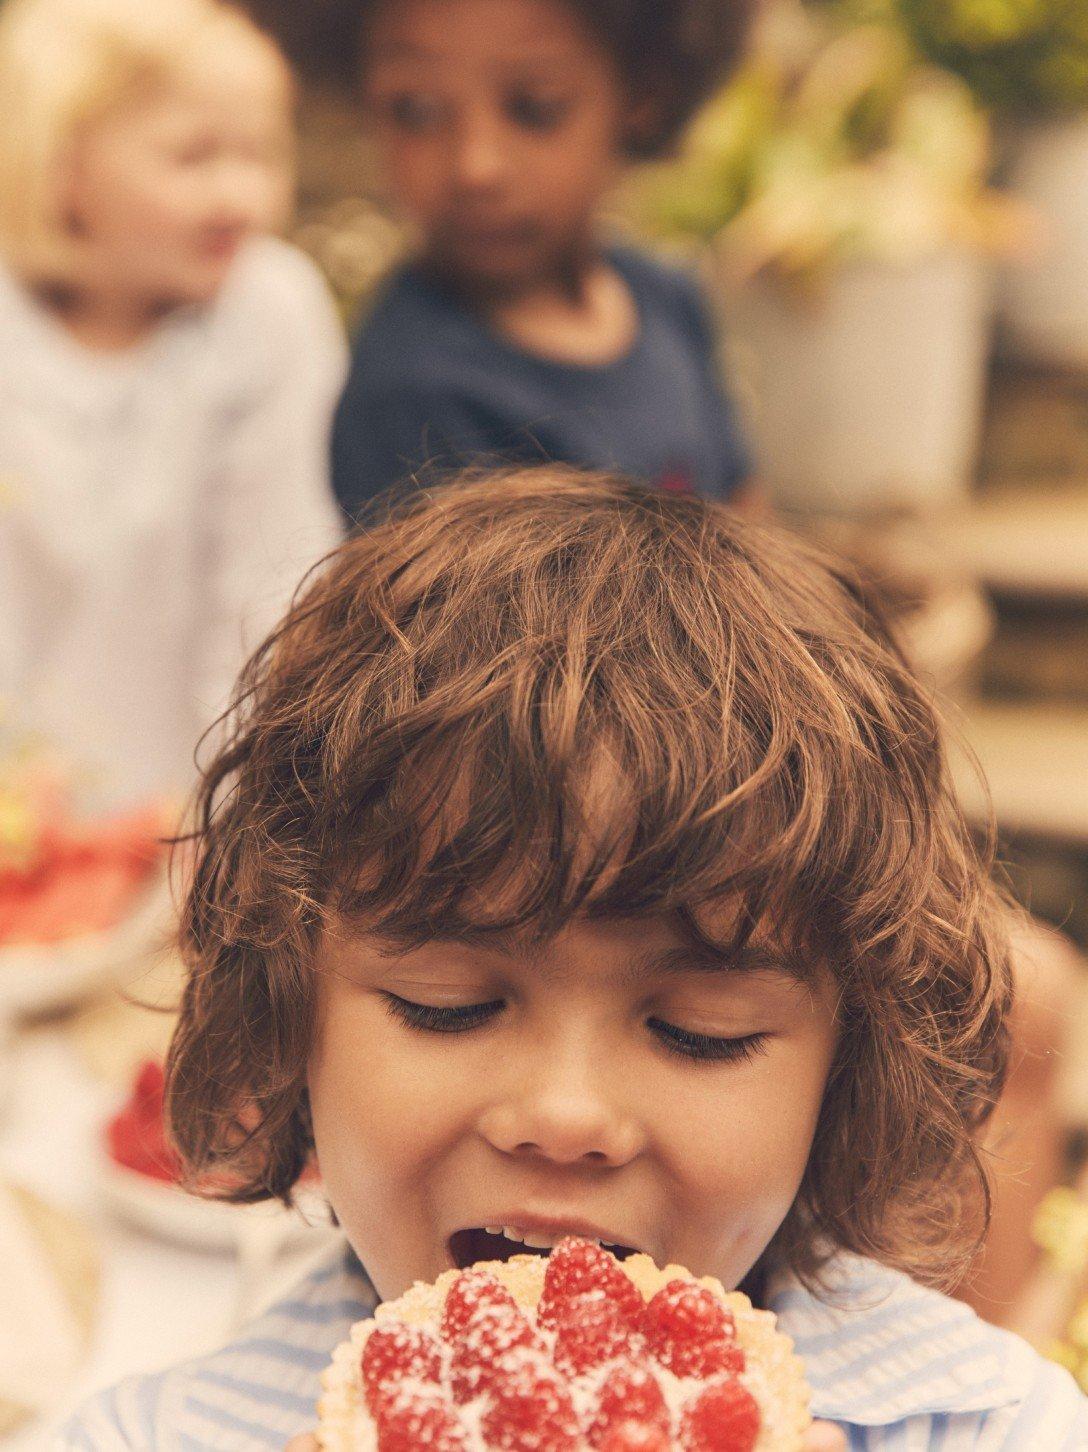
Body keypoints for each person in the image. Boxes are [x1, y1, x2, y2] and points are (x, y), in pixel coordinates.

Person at [64, 471, 1087, 1447]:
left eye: (700, 1033)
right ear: (290, 1015)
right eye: (447, 1005)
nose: (563, 1116)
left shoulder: (999, 1425)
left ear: (846, 1069)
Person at [0, 0, 345, 809]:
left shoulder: (268, 310)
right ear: (63, 166)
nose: (242, 194)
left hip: (180, 808)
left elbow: (272, 592)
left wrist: (229, 825)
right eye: (193, 156)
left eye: (259, 153)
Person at [323, 0, 755, 522]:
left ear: (641, 95)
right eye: (415, 108)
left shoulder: (666, 296)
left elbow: (747, 515)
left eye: (535, 106)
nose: (475, 166)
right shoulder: (409, 396)